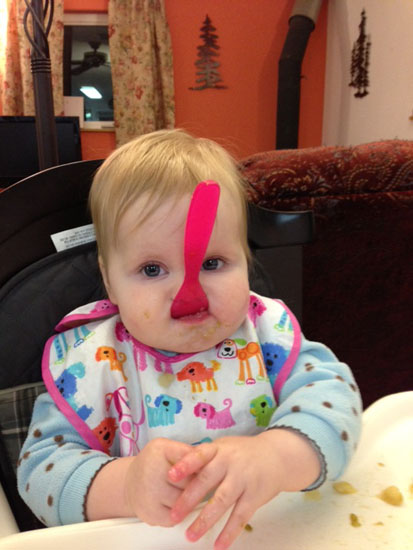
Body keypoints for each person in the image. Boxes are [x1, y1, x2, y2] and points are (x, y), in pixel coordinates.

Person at [17, 129, 362, 550]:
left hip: (278, 532)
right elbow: (40, 471)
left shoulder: (266, 333)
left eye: (213, 263)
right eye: (152, 270)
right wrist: (126, 486)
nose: (189, 292)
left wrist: (277, 456)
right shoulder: (91, 362)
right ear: (109, 281)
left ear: (246, 260)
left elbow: (337, 402)